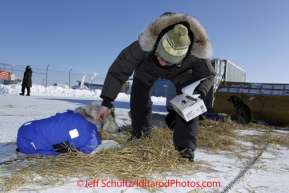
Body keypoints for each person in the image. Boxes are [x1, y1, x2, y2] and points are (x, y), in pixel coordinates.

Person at [97, 12, 216, 161]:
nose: (163, 64)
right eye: (161, 57)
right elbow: (118, 70)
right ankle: (141, 135)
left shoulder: (196, 53)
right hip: (147, 68)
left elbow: (208, 75)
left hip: (181, 73)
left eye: (169, 61)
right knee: (139, 97)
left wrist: (197, 93)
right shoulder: (144, 44)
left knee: (189, 102)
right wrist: (106, 102)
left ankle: (185, 146)